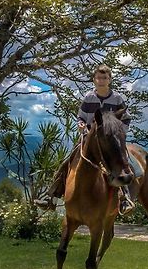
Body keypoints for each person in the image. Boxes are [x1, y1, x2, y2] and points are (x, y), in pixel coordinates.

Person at [34, 64, 136, 214]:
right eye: (99, 78)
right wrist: (81, 124)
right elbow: (80, 116)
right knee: (67, 161)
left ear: (110, 80)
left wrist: (119, 132)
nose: (101, 80)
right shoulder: (89, 97)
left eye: (105, 78)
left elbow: (126, 118)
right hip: (88, 138)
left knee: (122, 162)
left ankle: (125, 199)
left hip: (110, 141)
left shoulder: (117, 98)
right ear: (94, 80)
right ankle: (52, 197)